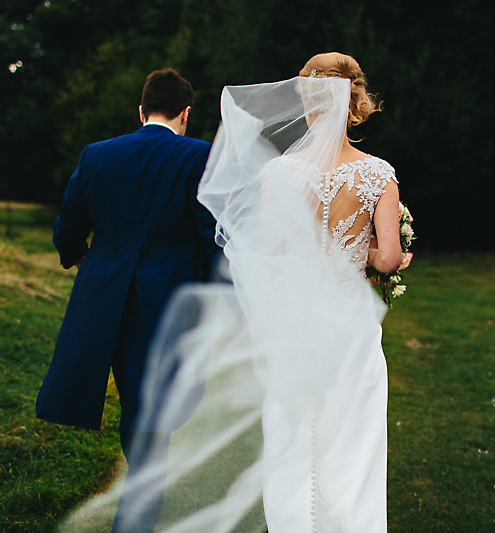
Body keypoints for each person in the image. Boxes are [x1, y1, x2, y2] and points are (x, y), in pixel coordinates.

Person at [60, 52, 408, 533]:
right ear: (355, 103)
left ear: (307, 102)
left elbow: (265, 252)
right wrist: (369, 253)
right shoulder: (377, 173)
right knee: (350, 433)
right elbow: (389, 259)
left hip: (289, 320)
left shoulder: (279, 173)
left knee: (290, 428)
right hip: (348, 318)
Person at [34, 68, 217, 532]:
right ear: (186, 113)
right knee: (149, 402)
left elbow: (70, 223)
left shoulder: (98, 154)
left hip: (104, 297)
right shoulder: (199, 155)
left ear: (141, 110)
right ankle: (137, 510)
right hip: (168, 300)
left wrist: (82, 259)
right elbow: (210, 233)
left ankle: (139, 492)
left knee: (136, 399)